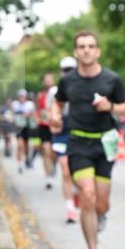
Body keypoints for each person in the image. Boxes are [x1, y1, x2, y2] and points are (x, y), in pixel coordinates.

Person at [49, 31, 125, 249]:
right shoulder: (68, 81)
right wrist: (54, 115)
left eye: (91, 46)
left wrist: (111, 107)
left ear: (98, 51)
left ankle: (100, 216)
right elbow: (58, 102)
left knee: (101, 203)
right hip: (79, 144)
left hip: (105, 144)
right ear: (76, 52)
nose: (86, 50)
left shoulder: (112, 80)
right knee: (87, 194)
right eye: (81, 46)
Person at [52, 57, 80, 223]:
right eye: (65, 70)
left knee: (77, 172)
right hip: (62, 134)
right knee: (65, 170)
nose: (68, 73)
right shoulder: (54, 91)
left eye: (71, 69)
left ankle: (77, 192)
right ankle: (70, 208)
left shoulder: (83, 87)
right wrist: (54, 120)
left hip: (79, 134)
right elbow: (52, 111)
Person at [35, 72, 58, 190]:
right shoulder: (40, 95)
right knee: (46, 150)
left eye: (50, 79)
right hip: (44, 126)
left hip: (55, 126)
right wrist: (38, 118)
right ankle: (48, 177)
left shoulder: (58, 92)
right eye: (46, 79)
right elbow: (37, 109)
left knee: (54, 152)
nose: (48, 81)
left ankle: (53, 164)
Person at [11, 90, 35, 173]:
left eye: (23, 96)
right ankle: (19, 164)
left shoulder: (30, 104)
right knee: (20, 145)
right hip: (18, 128)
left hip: (27, 127)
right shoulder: (15, 104)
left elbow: (32, 114)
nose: (22, 98)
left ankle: (27, 158)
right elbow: (13, 114)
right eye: (20, 96)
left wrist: (28, 115)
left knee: (26, 146)